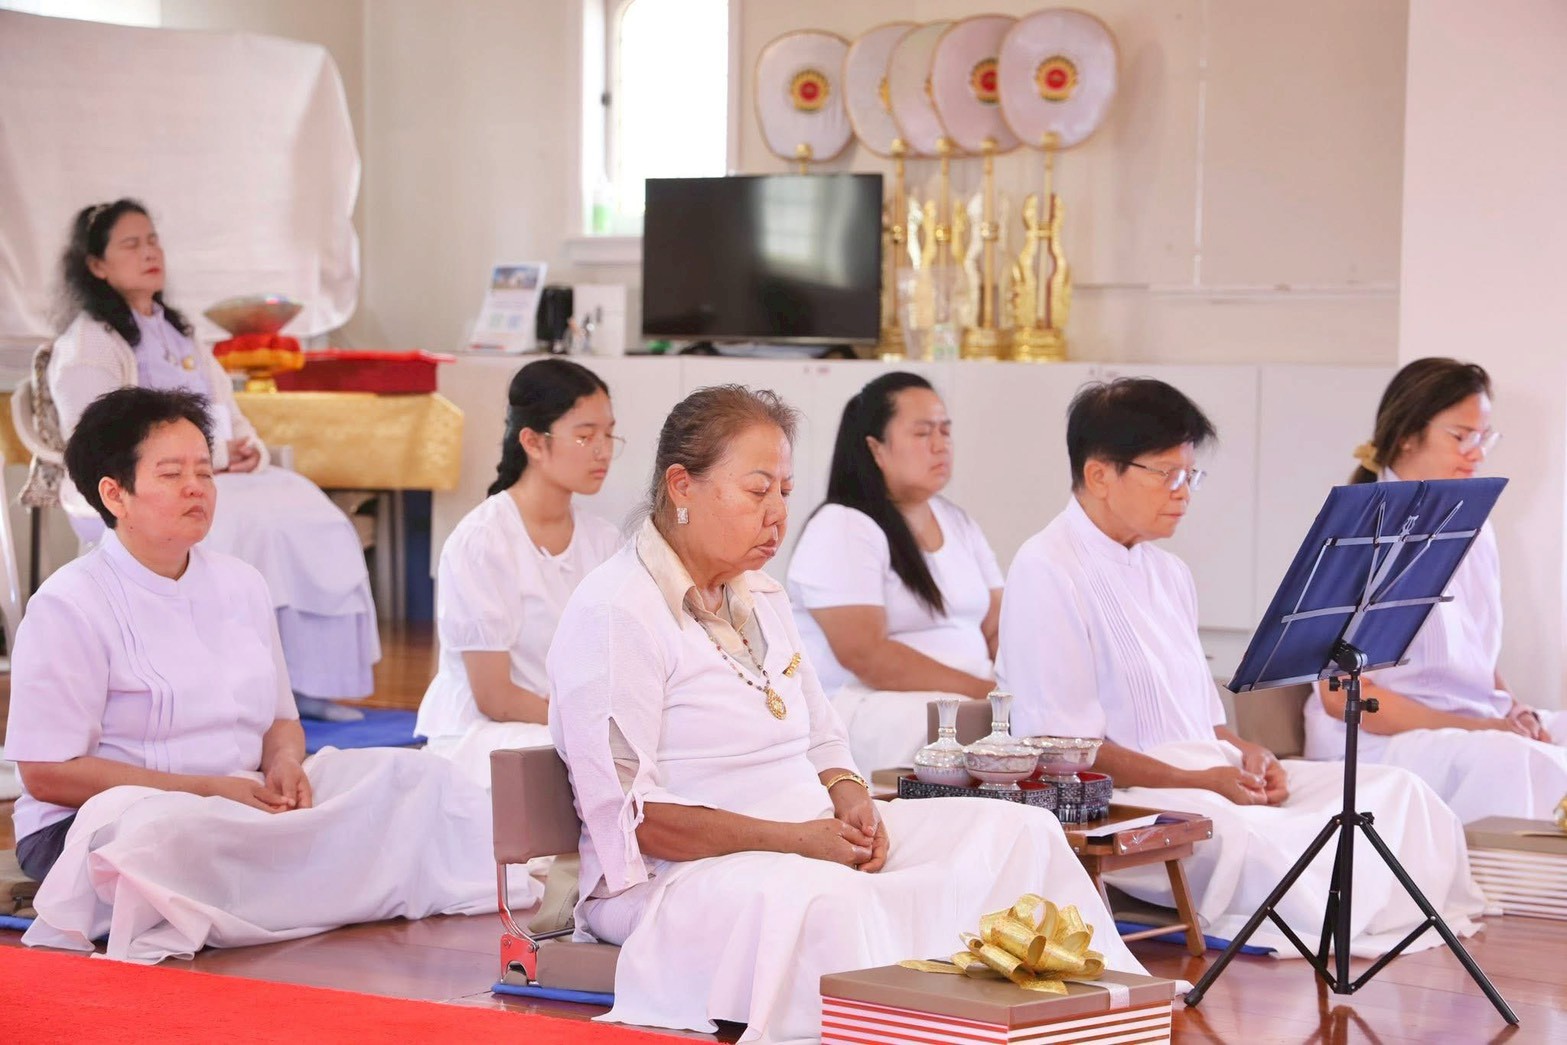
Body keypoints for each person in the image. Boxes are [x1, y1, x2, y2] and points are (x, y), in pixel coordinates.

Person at [547, 384, 1142, 1044]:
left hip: (807, 837)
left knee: (1018, 831)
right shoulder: (616, 612)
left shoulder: (761, 595)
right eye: (756, 490)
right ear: (682, 486)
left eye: (784, 490)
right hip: (671, 882)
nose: (776, 513)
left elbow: (824, 735)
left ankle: (1083, 1024)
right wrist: (801, 839)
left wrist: (851, 794)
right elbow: (641, 824)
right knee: (834, 898)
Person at [5, 387, 526, 962]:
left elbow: (282, 721)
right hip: (111, 821)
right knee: (170, 835)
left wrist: (283, 766)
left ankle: (283, 883)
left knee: (415, 779)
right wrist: (208, 790)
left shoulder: (240, 583)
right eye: (172, 473)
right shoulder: (69, 603)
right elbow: (47, 774)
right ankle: (303, 882)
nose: (196, 488)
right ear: (115, 494)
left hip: (243, 802)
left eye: (205, 471)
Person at [997, 377, 1486, 955]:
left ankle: (1397, 919)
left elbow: (1208, 726)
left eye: (1190, 476)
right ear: (1101, 473)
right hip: (1131, 800)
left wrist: (1251, 755)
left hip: (1210, 775)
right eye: (1167, 475)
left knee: (1397, 791)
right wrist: (1202, 781)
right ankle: (1347, 922)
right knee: (1249, 831)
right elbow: (1063, 748)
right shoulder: (1045, 567)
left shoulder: (1168, 572)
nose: (1183, 493)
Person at [48, 199, 378, 721]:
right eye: (131, 244)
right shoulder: (90, 343)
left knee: (312, 512)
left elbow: (227, 411)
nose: (149, 252)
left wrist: (248, 450)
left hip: (213, 473)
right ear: (96, 265)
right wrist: (209, 462)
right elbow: (96, 440)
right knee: (253, 525)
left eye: (153, 239)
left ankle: (304, 682)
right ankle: (233, 684)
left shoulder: (182, 334)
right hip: (130, 490)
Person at [1303, 358, 1567, 820]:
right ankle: (1505, 893)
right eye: (1461, 436)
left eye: (1483, 438)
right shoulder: (1361, 531)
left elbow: (1474, 654)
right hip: (1377, 739)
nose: (1477, 453)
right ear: (1407, 434)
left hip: (1465, 723)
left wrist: (1513, 709)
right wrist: (1482, 727)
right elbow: (1340, 697)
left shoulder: (1474, 525)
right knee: (1514, 760)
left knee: (1542, 743)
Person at [415, 358, 622, 788]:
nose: (603, 450)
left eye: (608, 434)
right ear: (532, 442)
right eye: (585, 436)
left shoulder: (604, 541)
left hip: (570, 724)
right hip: (492, 733)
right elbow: (495, 698)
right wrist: (585, 726)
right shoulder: (482, 542)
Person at [785, 372, 1003, 773]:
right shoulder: (843, 525)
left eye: (945, 431)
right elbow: (867, 655)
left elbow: (997, 628)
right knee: (995, 733)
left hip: (969, 707)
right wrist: (989, 695)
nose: (940, 445)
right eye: (922, 433)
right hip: (872, 710)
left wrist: (1014, 690)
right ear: (875, 448)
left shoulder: (959, 522)